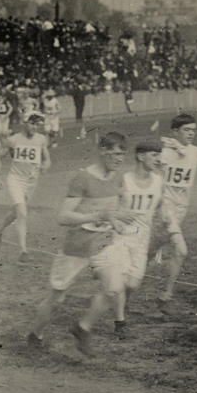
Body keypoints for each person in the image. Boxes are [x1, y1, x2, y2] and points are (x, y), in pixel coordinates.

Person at [27, 132, 137, 356]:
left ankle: (82, 328)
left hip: (103, 243)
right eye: (115, 154)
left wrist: (118, 218)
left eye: (122, 155)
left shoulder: (117, 177)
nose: (119, 159)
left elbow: (111, 208)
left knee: (114, 290)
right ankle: (35, 334)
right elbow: (63, 217)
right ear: (103, 152)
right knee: (57, 298)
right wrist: (98, 216)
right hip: (76, 246)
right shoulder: (83, 179)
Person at [155, 114, 197, 311]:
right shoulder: (163, 153)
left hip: (181, 209)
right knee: (181, 250)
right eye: (187, 130)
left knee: (150, 249)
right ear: (175, 131)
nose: (191, 134)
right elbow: (154, 182)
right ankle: (166, 295)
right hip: (164, 207)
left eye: (194, 130)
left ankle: (126, 287)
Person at [116, 140, 165, 332]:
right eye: (154, 155)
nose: (158, 160)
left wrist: (164, 227)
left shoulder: (159, 181)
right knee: (121, 278)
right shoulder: (124, 179)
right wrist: (118, 218)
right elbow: (110, 203)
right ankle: (120, 322)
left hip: (142, 237)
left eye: (159, 155)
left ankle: (121, 302)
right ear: (140, 156)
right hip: (121, 236)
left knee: (133, 283)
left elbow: (161, 206)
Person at [0, 111, 51, 262]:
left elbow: (47, 159)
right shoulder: (13, 140)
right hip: (15, 179)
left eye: (37, 124)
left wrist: (45, 165)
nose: (34, 127)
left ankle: (0, 229)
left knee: (16, 212)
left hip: (31, 181)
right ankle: (23, 251)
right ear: (24, 123)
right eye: (32, 123)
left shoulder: (41, 139)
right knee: (22, 213)